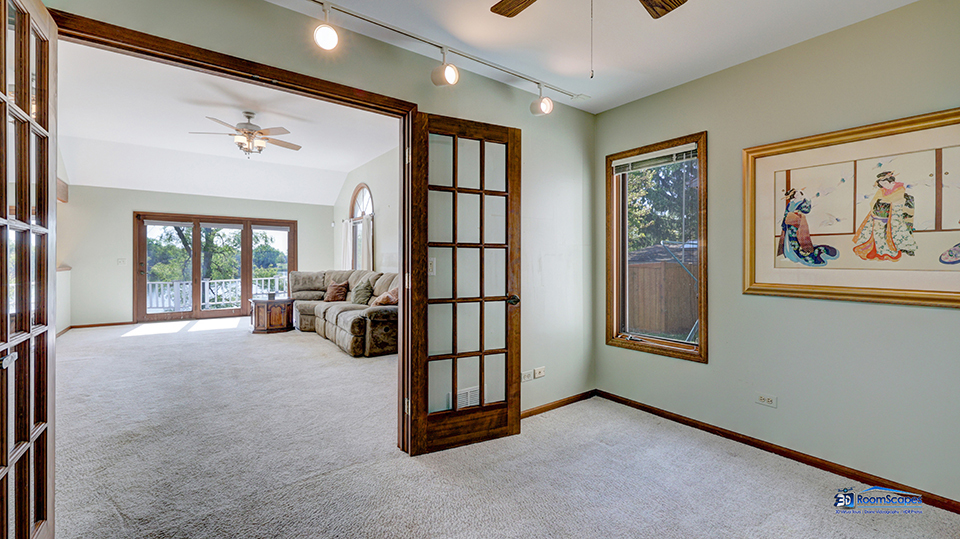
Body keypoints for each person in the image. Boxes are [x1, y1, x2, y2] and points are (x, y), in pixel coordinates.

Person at [853, 171, 918, 261]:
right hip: (880, 214)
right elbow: (873, 201)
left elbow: (897, 199)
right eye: (881, 184)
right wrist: (875, 208)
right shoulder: (881, 190)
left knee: (896, 231)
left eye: (885, 183)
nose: (884, 185)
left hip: (895, 213)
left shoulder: (899, 188)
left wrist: (885, 200)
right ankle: (878, 249)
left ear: (891, 182)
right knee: (877, 231)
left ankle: (893, 248)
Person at [777, 188, 839, 267]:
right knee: (787, 240)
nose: (797, 195)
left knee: (797, 241)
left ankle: (796, 256)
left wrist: (808, 199)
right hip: (788, 224)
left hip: (797, 224)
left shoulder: (803, 202)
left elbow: (807, 210)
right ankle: (789, 255)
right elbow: (786, 214)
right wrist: (785, 222)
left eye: (799, 193)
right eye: (796, 193)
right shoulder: (790, 203)